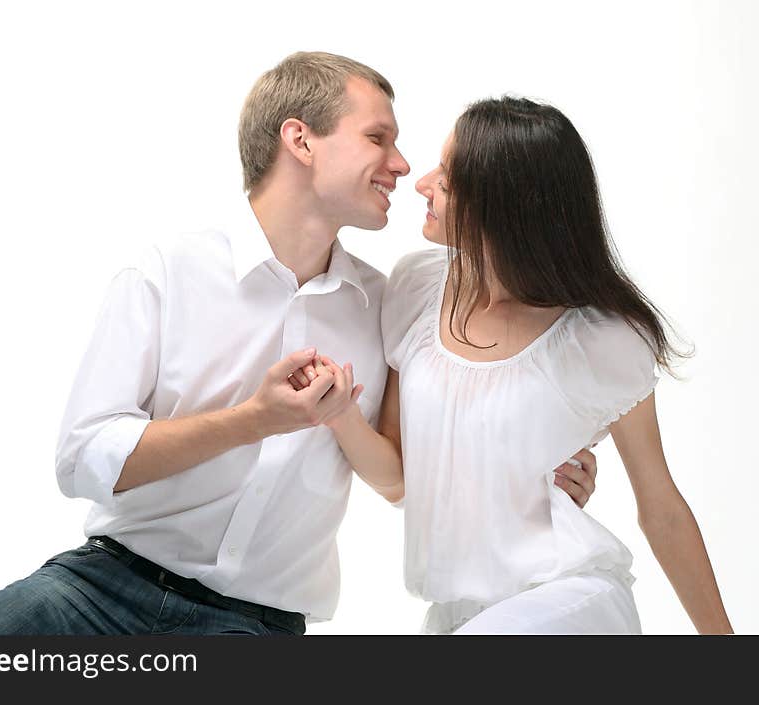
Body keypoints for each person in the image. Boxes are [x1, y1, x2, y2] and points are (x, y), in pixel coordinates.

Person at [0, 55, 596, 636]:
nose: (401, 163)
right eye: (378, 138)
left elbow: (405, 474)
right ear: (301, 140)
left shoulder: (387, 303)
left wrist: (539, 465)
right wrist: (252, 420)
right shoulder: (168, 272)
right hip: (94, 593)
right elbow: (81, 459)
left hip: (255, 628)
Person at [295, 97, 733, 634]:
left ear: (502, 205)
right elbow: (399, 481)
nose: (423, 182)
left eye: (448, 178)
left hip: (563, 601)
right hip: (457, 618)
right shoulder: (413, 287)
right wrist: (339, 414)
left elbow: (660, 505)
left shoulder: (602, 338)